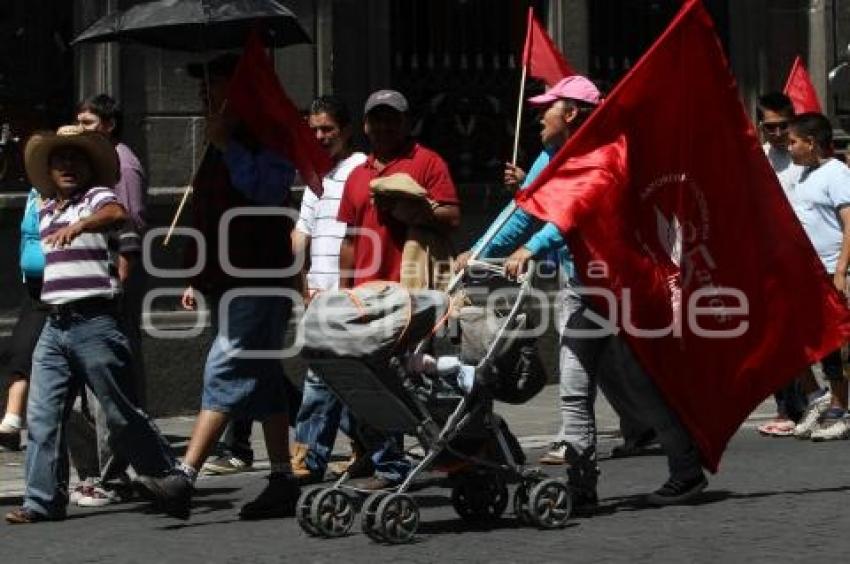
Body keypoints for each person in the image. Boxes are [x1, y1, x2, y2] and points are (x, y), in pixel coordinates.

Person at [456, 76, 707, 509]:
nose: (538, 117)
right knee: (573, 386)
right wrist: (476, 251)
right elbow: (524, 210)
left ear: (571, 113)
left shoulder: (608, 155)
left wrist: (530, 249)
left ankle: (687, 471)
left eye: (547, 108)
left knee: (643, 387)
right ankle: (582, 484)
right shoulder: (547, 159)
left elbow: (577, 211)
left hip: (621, 290)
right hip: (579, 288)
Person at [140, 54, 301, 520]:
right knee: (265, 378)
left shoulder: (266, 133)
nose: (205, 91)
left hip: (257, 276)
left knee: (225, 365)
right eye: (203, 83)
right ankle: (282, 479)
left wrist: (229, 144)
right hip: (224, 277)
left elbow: (268, 193)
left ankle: (183, 477)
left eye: (216, 81)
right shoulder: (218, 137)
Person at [5, 128, 185, 524]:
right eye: (60, 161)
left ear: (89, 168)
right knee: (42, 414)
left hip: (95, 322)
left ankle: (170, 477)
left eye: (76, 160)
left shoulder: (97, 198)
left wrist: (84, 225)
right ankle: (42, 501)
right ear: (49, 171)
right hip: (54, 323)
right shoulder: (45, 208)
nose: (68, 167)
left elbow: (117, 214)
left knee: (120, 412)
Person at [337, 89, 461, 489]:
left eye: (393, 118)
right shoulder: (357, 175)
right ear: (366, 125)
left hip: (411, 295)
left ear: (406, 123)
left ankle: (406, 462)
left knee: (409, 380)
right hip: (364, 295)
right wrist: (342, 293)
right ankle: (387, 459)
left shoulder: (427, 162)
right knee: (363, 382)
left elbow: (452, 215)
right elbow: (350, 240)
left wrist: (418, 208)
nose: (384, 126)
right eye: (377, 119)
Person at [62, 94, 151, 506]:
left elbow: (129, 226)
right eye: (77, 123)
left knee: (111, 383)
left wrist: (119, 286)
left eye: (88, 122)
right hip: (81, 285)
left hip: (111, 287)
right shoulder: (91, 163)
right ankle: (99, 470)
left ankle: (115, 475)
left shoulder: (121, 163)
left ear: (109, 125)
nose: (81, 130)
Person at [288, 96, 369, 483]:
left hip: (349, 294)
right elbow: (302, 232)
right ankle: (370, 452)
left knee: (324, 377)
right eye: (314, 130)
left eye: (327, 130)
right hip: (318, 296)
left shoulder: (360, 169)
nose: (319, 137)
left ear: (345, 130)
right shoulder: (315, 176)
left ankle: (308, 459)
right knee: (348, 379)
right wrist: (301, 279)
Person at [785, 112, 850, 441]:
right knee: (791, 338)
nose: (789, 146)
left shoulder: (837, 173)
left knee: (834, 345)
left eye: (794, 141)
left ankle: (840, 410)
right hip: (804, 272)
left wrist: (841, 270)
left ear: (811, 143)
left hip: (831, 271)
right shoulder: (805, 174)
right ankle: (815, 397)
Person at [754, 92, 809, 437]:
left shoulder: (806, 158)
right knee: (774, 335)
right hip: (769, 258)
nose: (775, 134)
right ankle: (787, 407)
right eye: (769, 127)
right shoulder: (758, 158)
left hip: (804, 255)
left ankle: (819, 401)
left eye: (782, 126)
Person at [0, 188, 48, 452]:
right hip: (33, 286)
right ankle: (13, 420)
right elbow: (26, 237)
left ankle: (13, 419)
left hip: (60, 285)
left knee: (25, 349)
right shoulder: (33, 194)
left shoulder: (72, 194)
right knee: (20, 349)